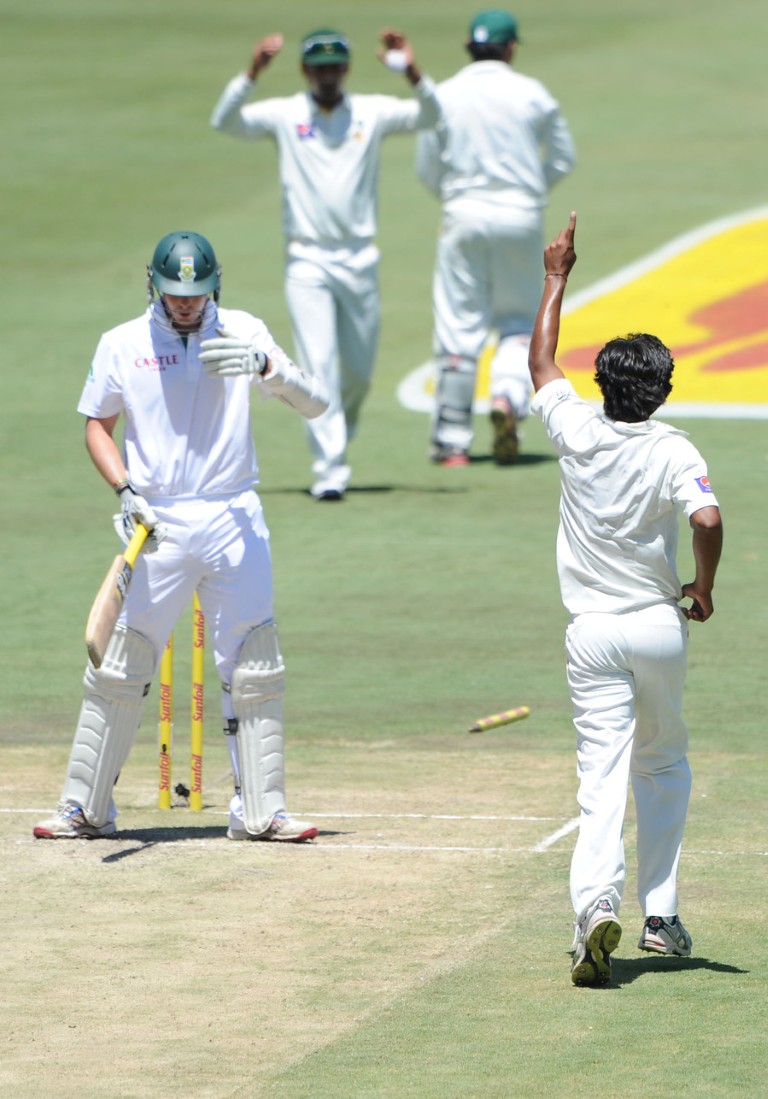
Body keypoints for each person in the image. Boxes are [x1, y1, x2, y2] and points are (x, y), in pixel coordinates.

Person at [34, 230, 329, 843]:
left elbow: (317, 404)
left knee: (254, 662)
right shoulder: (122, 342)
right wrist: (124, 490)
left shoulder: (245, 331)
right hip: (158, 522)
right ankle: (84, 809)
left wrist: (266, 367)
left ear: (215, 285)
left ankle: (262, 812)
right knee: (121, 664)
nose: (187, 304)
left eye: (197, 293)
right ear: (155, 286)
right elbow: (98, 425)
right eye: (175, 294)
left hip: (234, 517)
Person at [528, 212, 723, 985]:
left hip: (592, 633)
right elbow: (705, 516)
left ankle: (593, 908)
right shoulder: (674, 445)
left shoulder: (575, 425)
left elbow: (541, 360)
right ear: (663, 388)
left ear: (604, 385)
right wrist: (703, 587)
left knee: (600, 777)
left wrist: (557, 273)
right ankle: (661, 916)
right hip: (656, 626)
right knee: (664, 764)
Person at [210, 28, 440, 501]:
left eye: (335, 67)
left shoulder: (371, 111)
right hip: (307, 257)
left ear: (346, 69)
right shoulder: (286, 113)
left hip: (359, 255)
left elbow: (433, 115)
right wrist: (252, 71)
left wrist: (411, 70)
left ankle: (336, 431)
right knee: (320, 363)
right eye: (319, 68)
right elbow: (225, 121)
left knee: (358, 372)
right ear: (305, 71)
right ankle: (329, 468)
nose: (328, 76)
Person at [415, 9, 575, 466]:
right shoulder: (532, 93)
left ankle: (451, 442)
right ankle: (507, 397)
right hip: (520, 216)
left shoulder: (444, 94)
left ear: (469, 46)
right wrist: (528, 193)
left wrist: (453, 199)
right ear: (511, 48)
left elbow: (428, 166)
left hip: (462, 212)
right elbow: (563, 156)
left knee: (458, 324)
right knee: (519, 321)